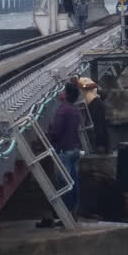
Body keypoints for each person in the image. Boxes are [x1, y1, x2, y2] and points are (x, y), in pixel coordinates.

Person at [47, 82, 82, 214]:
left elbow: (56, 131)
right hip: (74, 149)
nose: (59, 92)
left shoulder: (62, 110)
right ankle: (75, 209)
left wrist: (47, 139)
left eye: (62, 91)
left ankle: (65, 212)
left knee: (64, 183)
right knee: (73, 181)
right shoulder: (74, 109)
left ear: (66, 95)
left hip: (64, 151)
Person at [78, 77, 109, 153]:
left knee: (99, 125)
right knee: (99, 125)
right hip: (94, 103)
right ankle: (103, 146)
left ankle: (101, 146)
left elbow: (99, 126)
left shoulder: (84, 82)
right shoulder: (87, 82)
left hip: (94, 104)